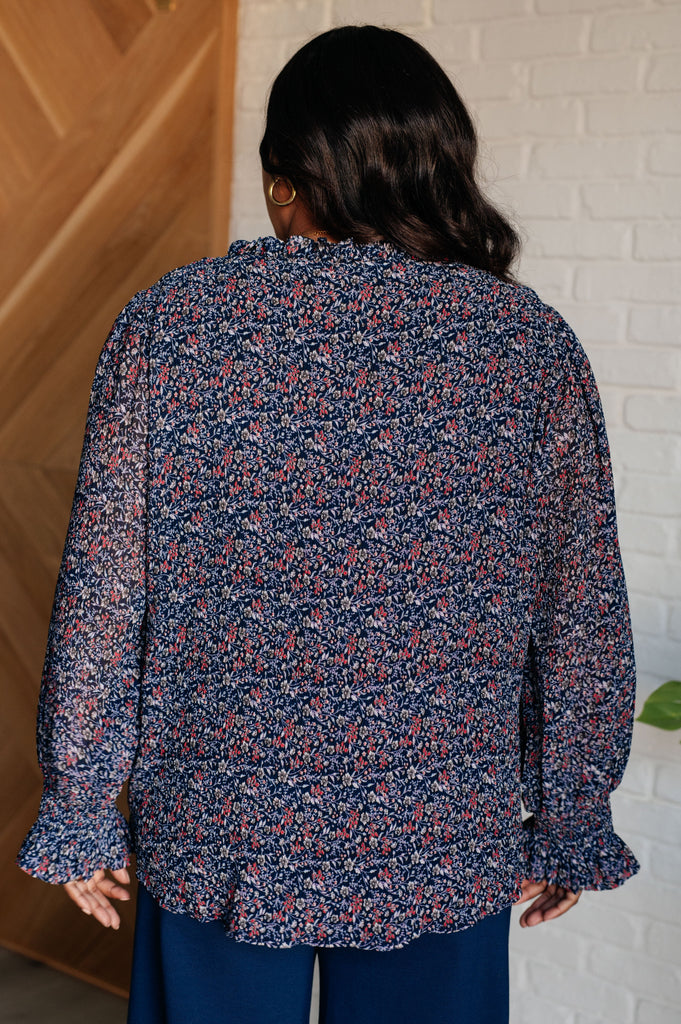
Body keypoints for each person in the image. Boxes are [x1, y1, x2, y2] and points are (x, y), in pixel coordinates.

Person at [17, 24, 639, 1024]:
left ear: (285, 177)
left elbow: (104, 589)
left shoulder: (174, 326)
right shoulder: (524, 345)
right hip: (437, 828)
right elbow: (579, 610)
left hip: (221, 821)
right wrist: (572, 811)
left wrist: (82, 805)